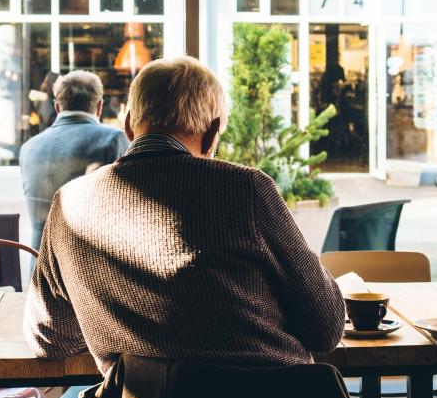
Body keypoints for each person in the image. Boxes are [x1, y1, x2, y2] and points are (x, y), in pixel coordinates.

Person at [23, 56, 345, 375]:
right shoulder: (246, 189)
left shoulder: (69, 204)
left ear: (129, 125)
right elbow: (326, 328)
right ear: (212, 133)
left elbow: (48, 339)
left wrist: (113, 316)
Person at [19, 70, 128, 250]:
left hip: (39, 266)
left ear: (57, 107)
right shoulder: (112, 139)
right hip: (87, 266)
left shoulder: (29, 147)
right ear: (99, 107)